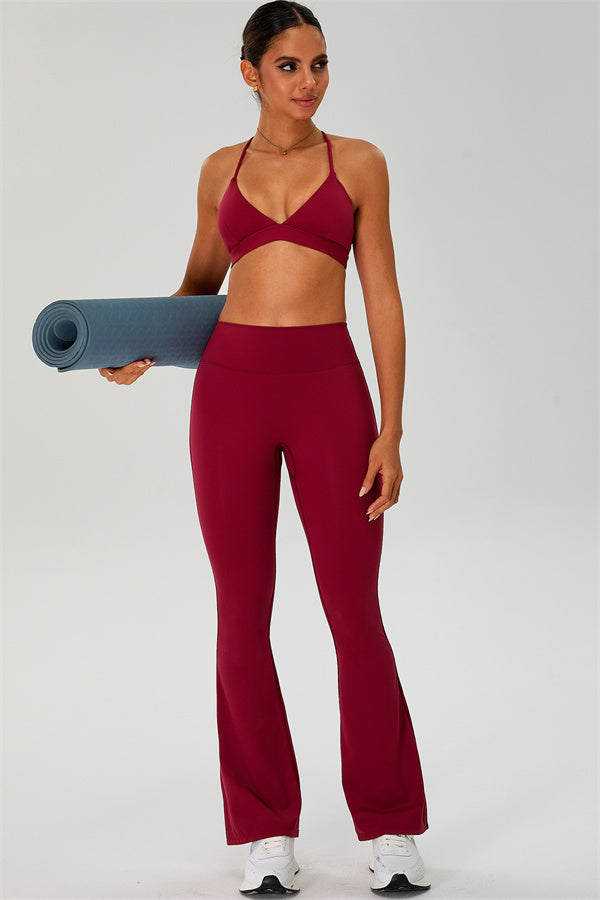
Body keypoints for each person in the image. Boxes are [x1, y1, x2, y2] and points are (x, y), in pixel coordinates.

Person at [99, 1, 431, 894]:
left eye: (319, 64)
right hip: (230, 394)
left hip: (329, 391)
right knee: (240, 613)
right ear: (250, 73)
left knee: (353, 611)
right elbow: (199, 285)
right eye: (289, 66)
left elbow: (383, 297)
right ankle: (265, 830)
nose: (309, 82)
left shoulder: (359, 163)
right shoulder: (221, 170)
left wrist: (392, 427)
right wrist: (136, 346)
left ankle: (390, 825)